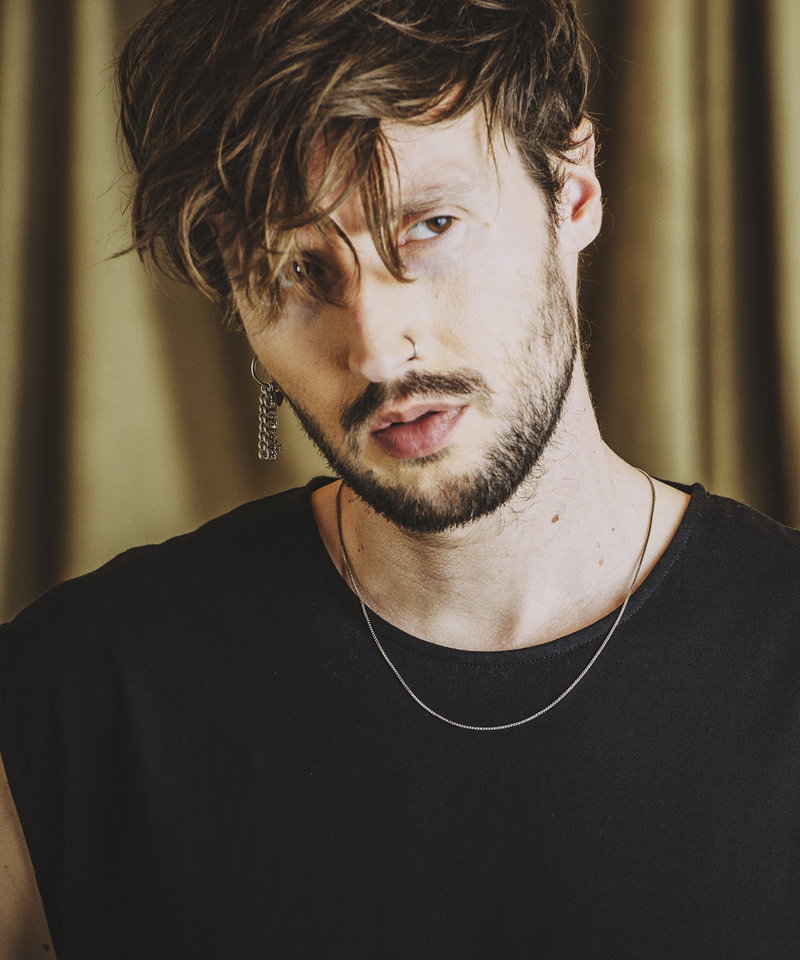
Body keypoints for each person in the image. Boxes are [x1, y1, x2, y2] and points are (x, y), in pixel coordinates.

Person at [1, 0, 799, 956]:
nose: (377, 351)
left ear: (573, 193)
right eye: (296, 271)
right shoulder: (71, 698)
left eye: (431, 225)